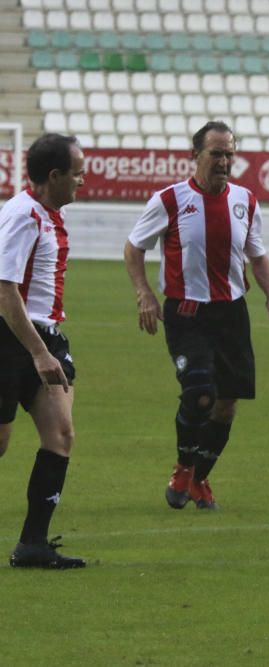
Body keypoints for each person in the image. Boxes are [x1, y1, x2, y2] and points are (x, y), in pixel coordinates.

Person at [124, 121, 269, 511]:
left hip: (232, 312)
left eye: (230, 153)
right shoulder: (169, 200)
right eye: (216, 153)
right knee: (200, 394)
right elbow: (134, 248)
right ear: (195, 155)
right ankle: (184, 466)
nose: (224, 160)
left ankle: (200, 479)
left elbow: (257, 253)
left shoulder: (246, 200)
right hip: (187, 312)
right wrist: (144, 293)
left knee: (227, 404)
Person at [0, 133, 87, 568]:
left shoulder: (47, 213)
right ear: (53, 176)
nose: (82, 181)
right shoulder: (23, 217)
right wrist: (38, 353)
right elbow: (5, 291)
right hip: (10, 337)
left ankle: (32, 544)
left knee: (61, 435)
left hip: (43, 336)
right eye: (77, 173)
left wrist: (48, 344)